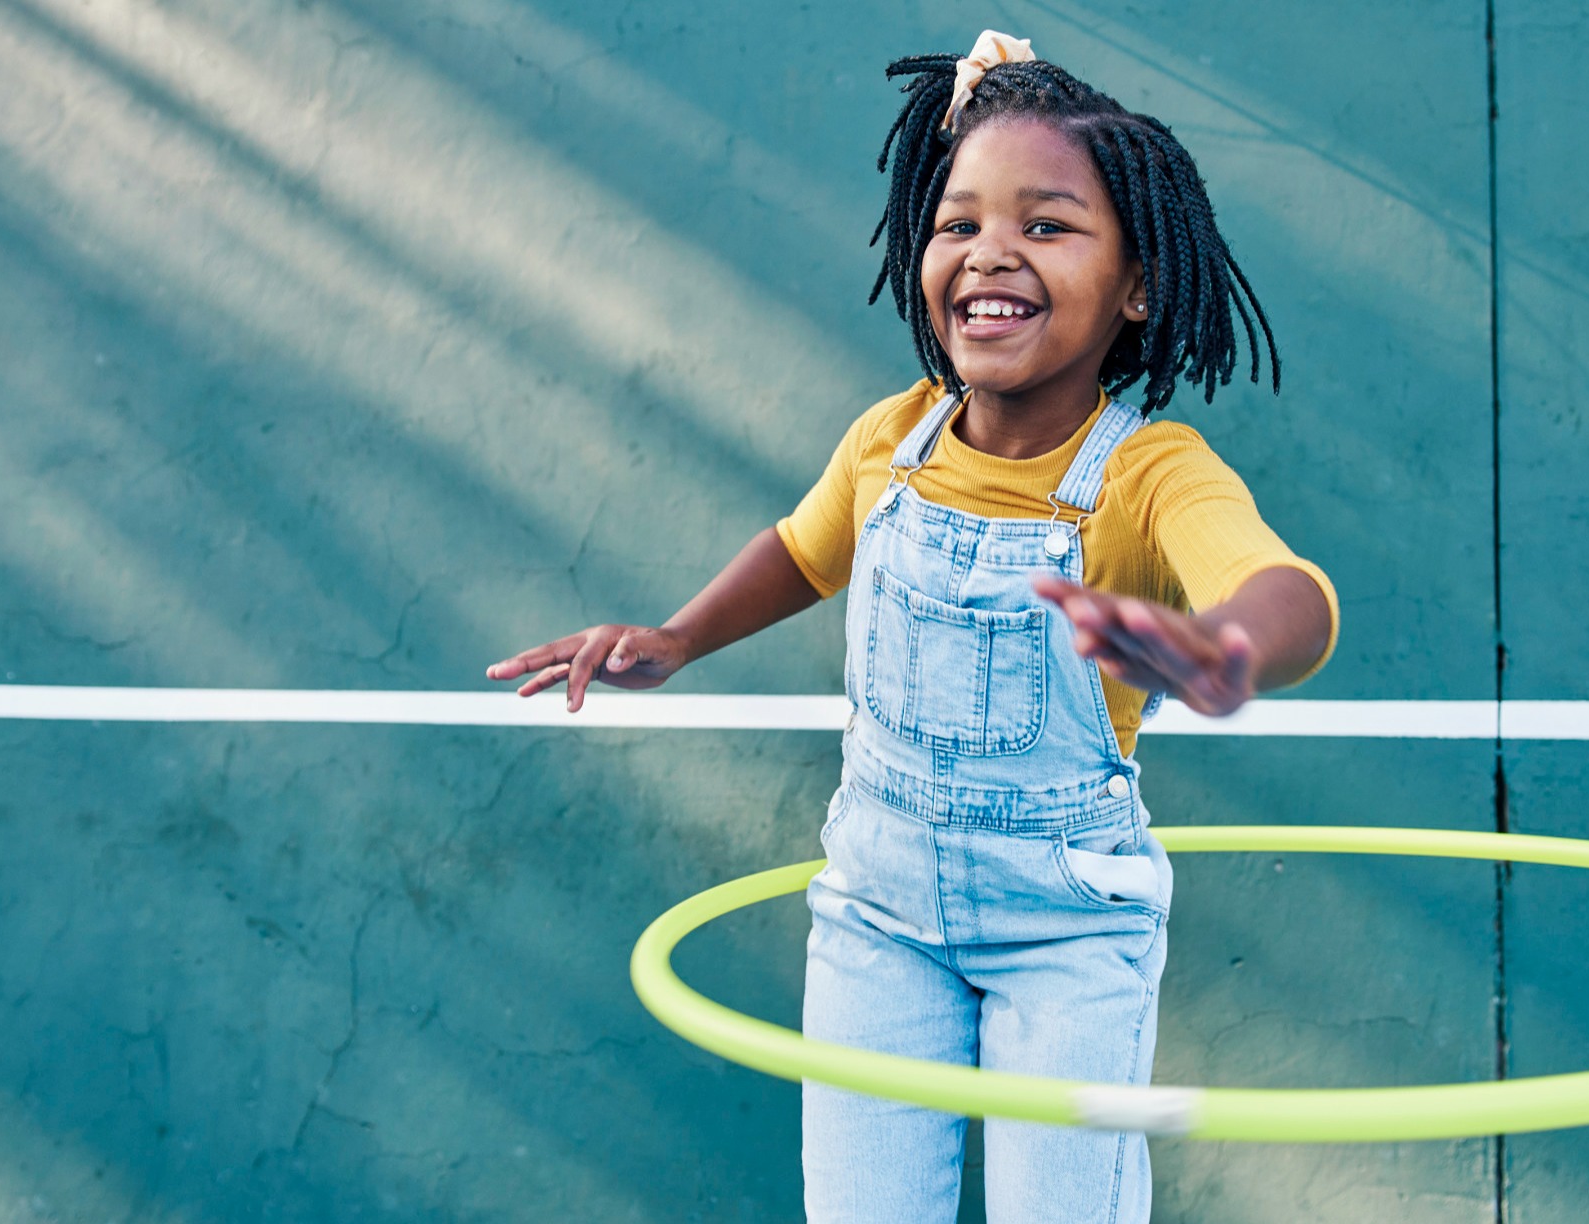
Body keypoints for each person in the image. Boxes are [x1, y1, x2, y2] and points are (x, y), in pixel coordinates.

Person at [486, 30, 1339, 1224]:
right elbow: (803, 549)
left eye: (1047, 226)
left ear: (1138, 285)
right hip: (877, 917)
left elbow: (1282, 588)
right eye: (958, 223)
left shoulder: (1149, 477)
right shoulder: (891, 438)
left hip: (1064, 934)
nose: (991, 252)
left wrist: (1229, 649)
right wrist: (674, 638)